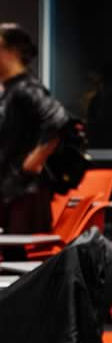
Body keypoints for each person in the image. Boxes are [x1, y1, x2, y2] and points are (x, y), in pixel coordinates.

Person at [0, 23, 68, 236]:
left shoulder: (27, 88)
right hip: (12, 191)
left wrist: (32, 163)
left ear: (11, 51)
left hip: (26, 195)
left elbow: (59, 121)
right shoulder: (11, 90)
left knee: (20, 261)